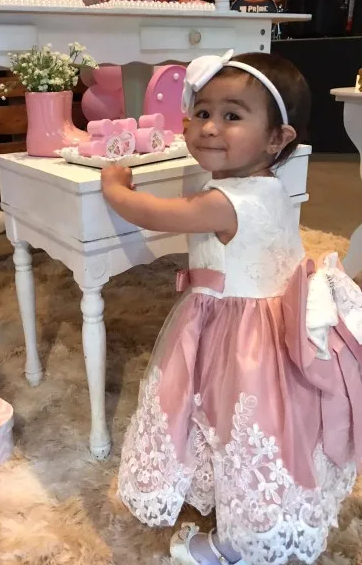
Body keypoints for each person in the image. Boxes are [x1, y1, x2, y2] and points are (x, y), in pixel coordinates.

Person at [101, 50, 362, 565]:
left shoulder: (224, 202)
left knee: (234, 419)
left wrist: (114, 187)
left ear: (276, 138)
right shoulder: (268, 186)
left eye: (232, 115)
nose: (209, 127)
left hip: (243, 334)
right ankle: (246, 497)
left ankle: (239, 542)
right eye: (201, 112)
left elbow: (153, 213)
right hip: (270, 322)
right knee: (262, 423)